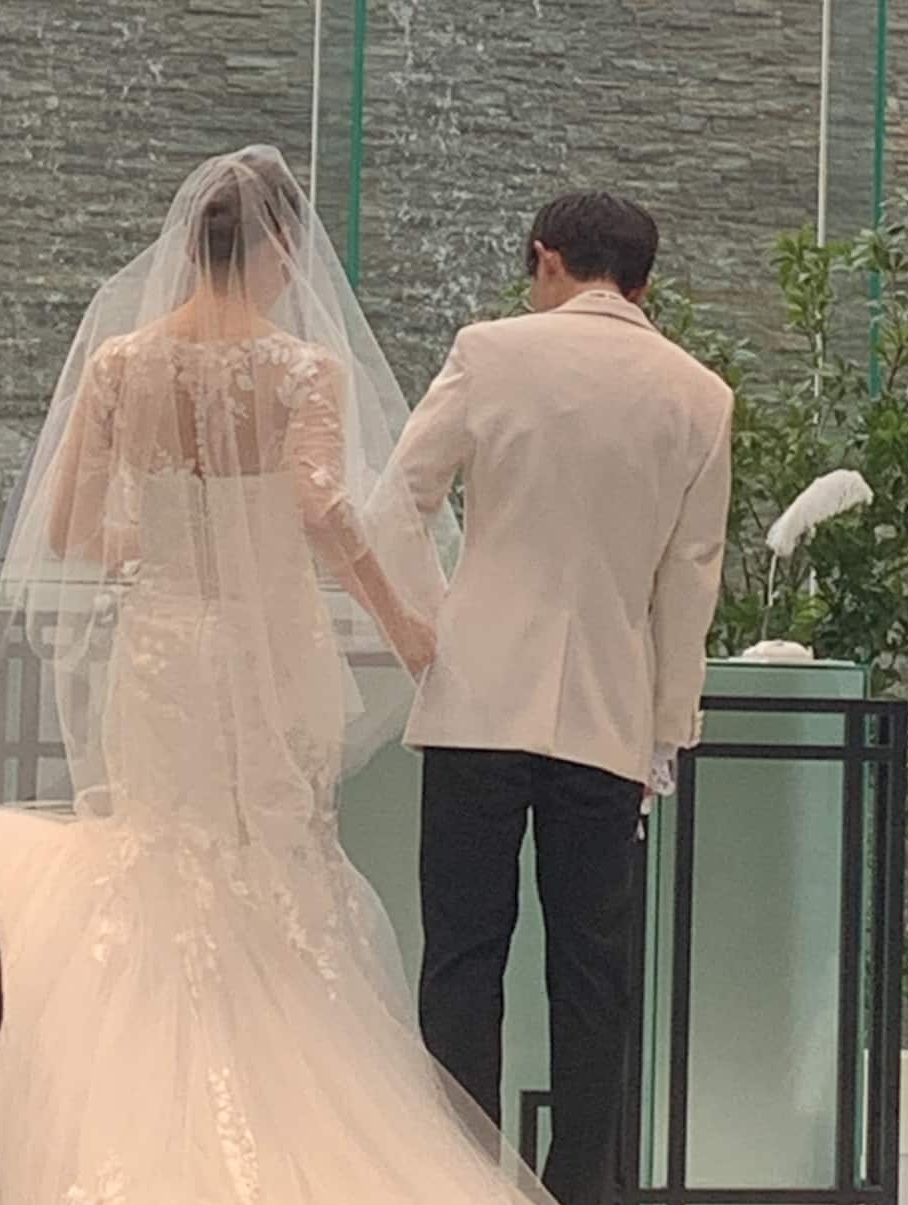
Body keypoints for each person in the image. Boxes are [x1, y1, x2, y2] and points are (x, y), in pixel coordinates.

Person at [0, 146, 559, 1204]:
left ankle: (143, 1114)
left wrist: (162, 548)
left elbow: (71, 528)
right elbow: (318, 508)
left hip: (159, 650)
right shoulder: (301, 369)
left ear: (189, 247)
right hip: (266, 653)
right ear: (278, 249)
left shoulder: (119, 364)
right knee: (274, 864)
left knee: (164, 861)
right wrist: (402, 618)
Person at [387, 191, 734, 1205]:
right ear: (644, 281)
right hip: (607, 715)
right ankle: (580, 1187)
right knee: (592, 970)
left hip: (475, 700)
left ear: (546, 259)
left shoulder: (490, 352)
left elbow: (396, 501)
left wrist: (431, 627)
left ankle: (459, 1179)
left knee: (463, 954)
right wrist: (666, 730)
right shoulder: (699, 394)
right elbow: (690, 580)